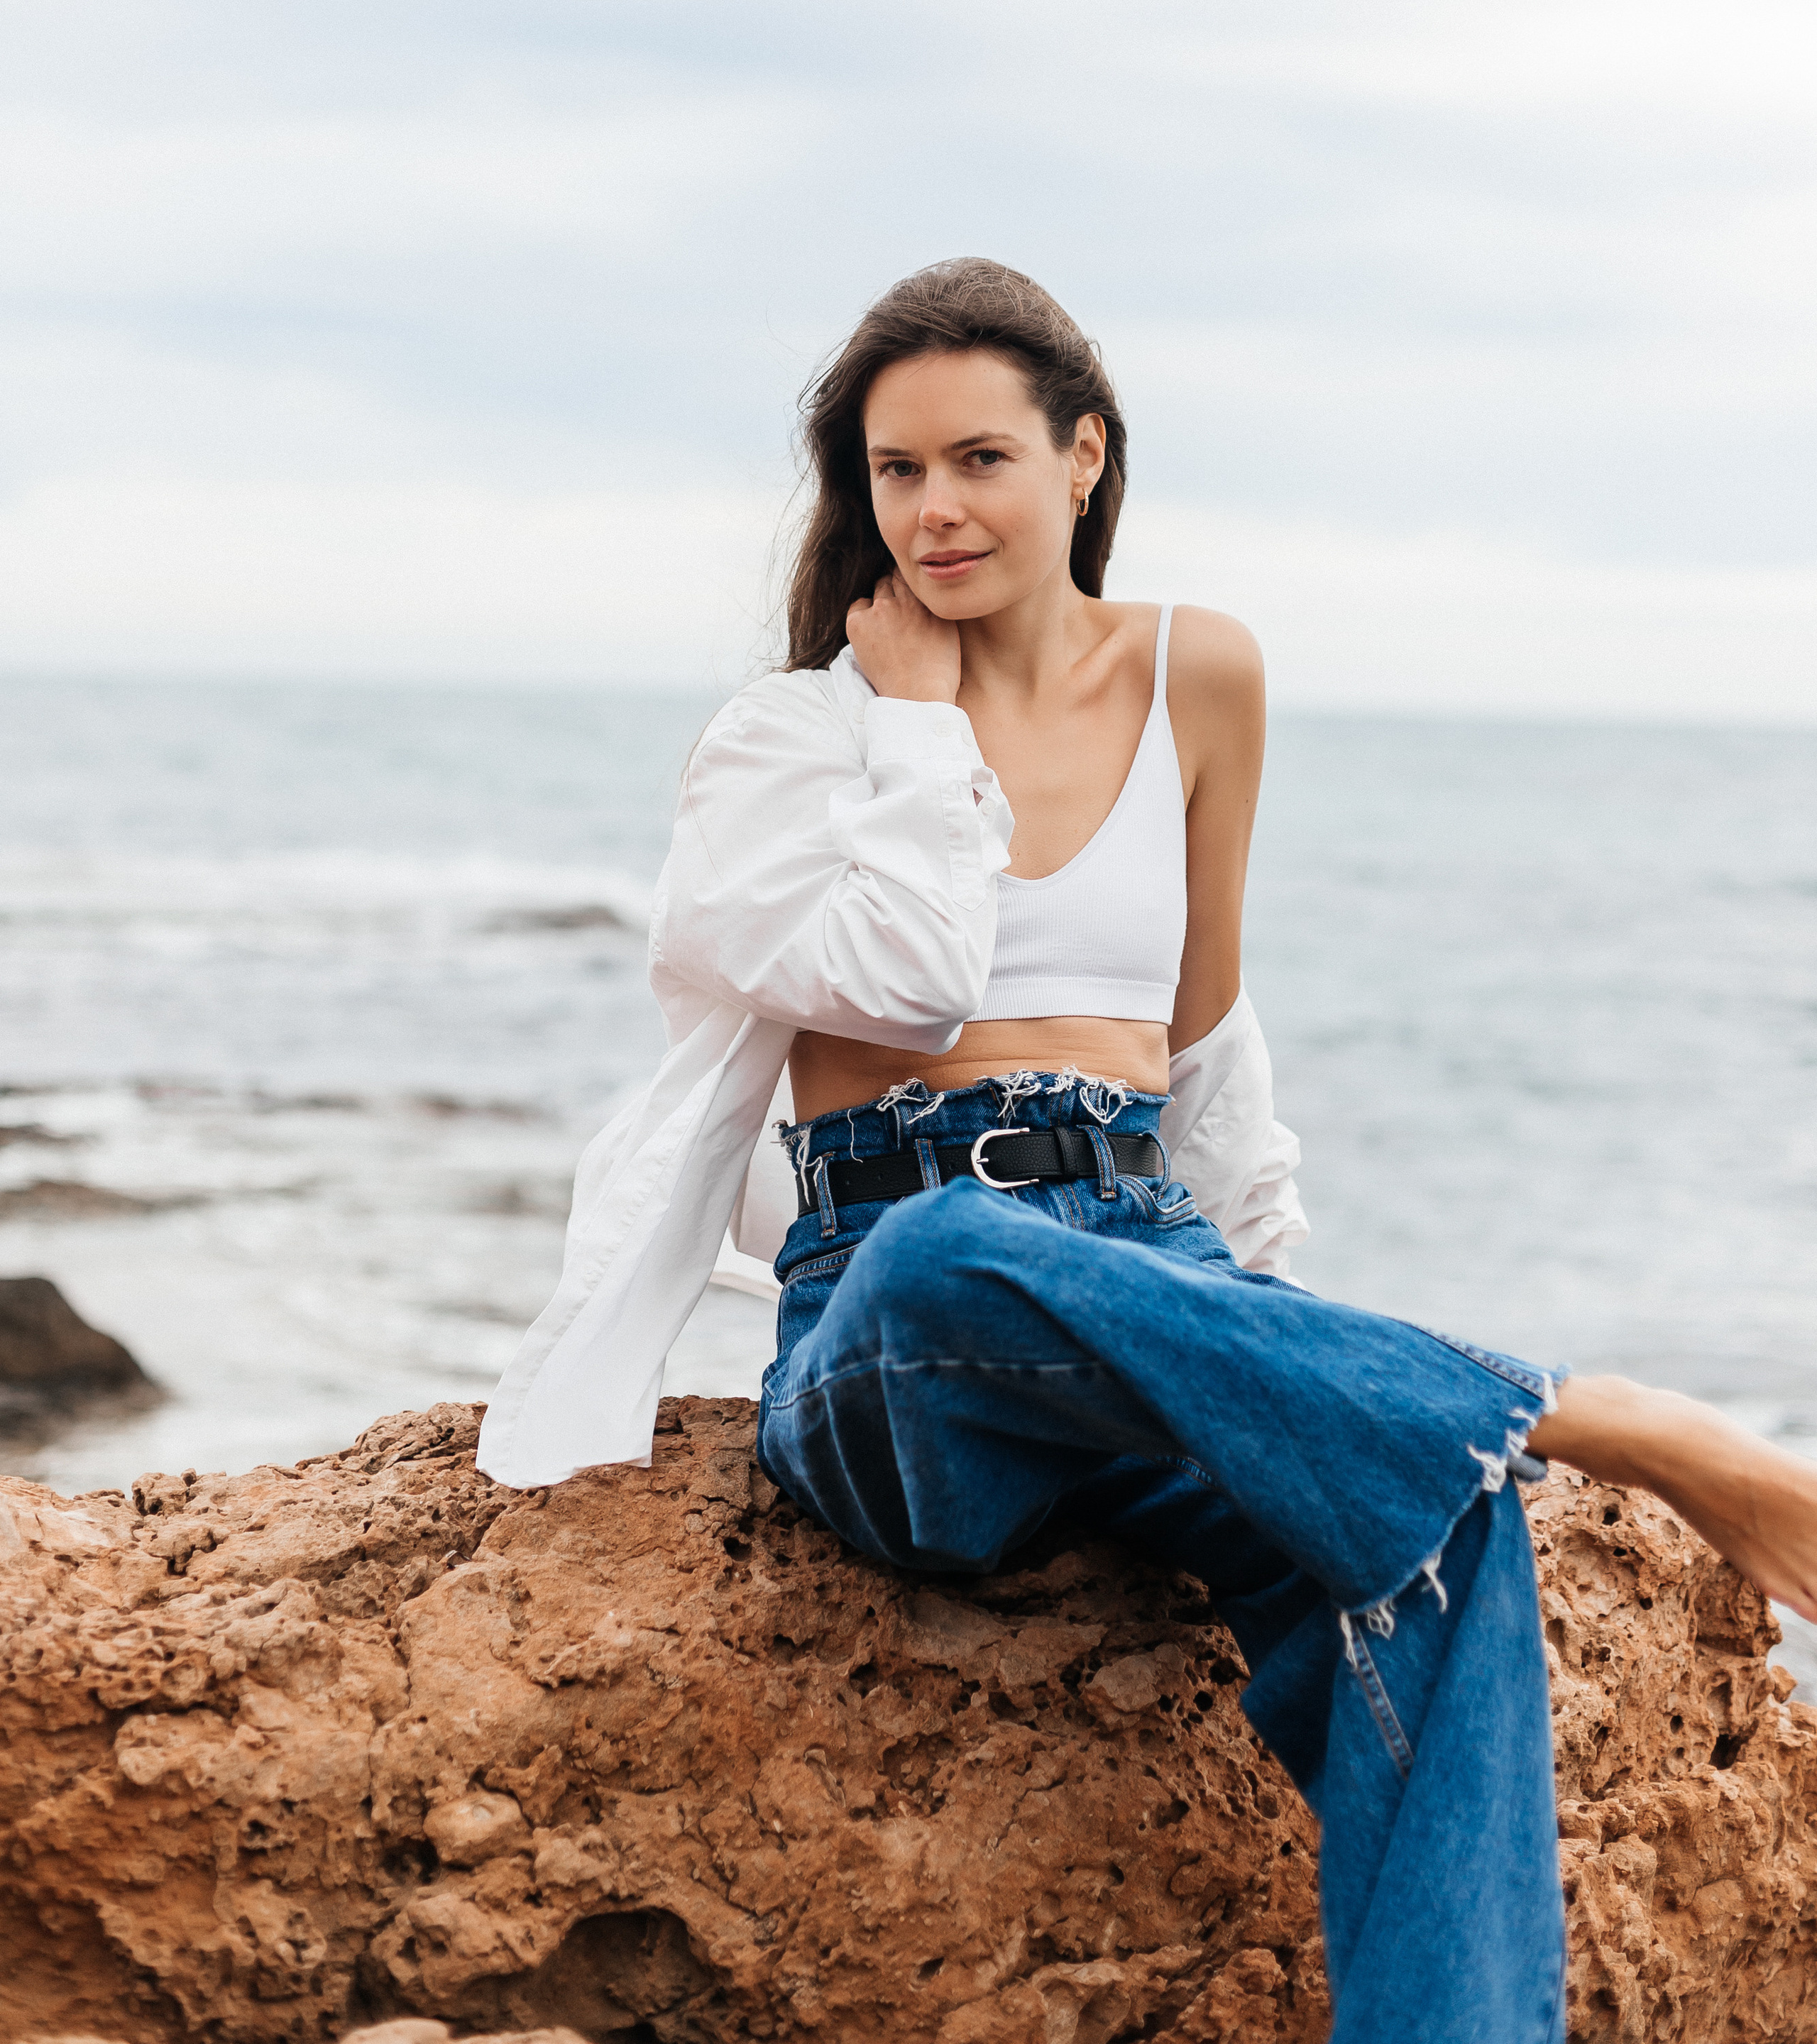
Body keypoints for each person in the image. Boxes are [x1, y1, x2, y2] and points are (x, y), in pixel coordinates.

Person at [478, 256, 1817, 2044]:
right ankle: (1602, 1414)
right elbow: (905, 970)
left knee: (1438, 1522)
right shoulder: (790, 740)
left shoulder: (1203, 674)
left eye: (978, 458)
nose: (934, 508)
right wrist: (916, 730)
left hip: (1145, 1271)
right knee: (946, 1247)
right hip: (901, 1344)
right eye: (892, 472)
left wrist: (1275, 1355)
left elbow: (1197, 1039)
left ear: (1083, 456)